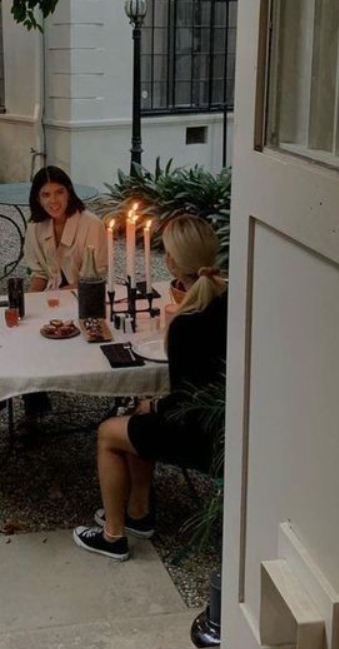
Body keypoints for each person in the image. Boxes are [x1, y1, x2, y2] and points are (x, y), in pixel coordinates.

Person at [72, 214, 228, 560]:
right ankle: (138, 514)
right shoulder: (229, 299)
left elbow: (190, 403)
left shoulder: (189, 323)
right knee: (134, 412)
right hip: (229, 424)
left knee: (109, 432)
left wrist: (154, 406)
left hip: (205, 436)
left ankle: (113, 536)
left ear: (173, 261)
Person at [21, 166, 108, 420]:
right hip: (52, 299)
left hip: (88, 298)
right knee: (24, 337)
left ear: (69, 193)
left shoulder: (92, 224)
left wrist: (55, 299)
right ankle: (34, 405)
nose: (53, 201)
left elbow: (97, 275)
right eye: (45, 194)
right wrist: (25, 306)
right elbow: (38, 273)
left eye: (59, 192)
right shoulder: (36, 227)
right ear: (37, 198)